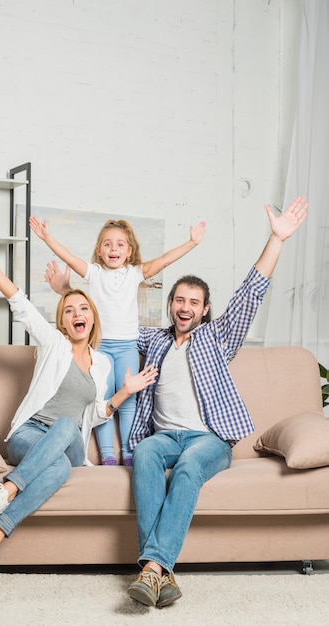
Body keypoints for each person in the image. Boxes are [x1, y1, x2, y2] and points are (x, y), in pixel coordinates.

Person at [47, 196, 308, 609]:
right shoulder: (153, 340)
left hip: (208, 441)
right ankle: (160, 574)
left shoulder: (217, 338)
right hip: (165, 437)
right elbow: (102, 323)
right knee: (146, 451)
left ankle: (151, 567)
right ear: (170, 305)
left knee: (187, 468)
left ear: (204, 310)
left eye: (193, 302)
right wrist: (66, 291)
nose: (185, 307)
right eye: (179, 300)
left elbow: (250, 294)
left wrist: (276, 240)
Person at [0, 227, 158, 592]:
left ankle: (7, 490)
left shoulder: (103, 365)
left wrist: (124, 392)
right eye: (68, 310)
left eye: (83, 308)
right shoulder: (53, 345)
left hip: (69, 440)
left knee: (66, 427)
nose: (77, 314)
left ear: (92, 318)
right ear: (62, 322)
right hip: (28, 436)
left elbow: (93, 415)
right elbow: (19, 300)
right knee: (59, 468)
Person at [29, 215, 205, 467]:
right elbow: (68, 256)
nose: (114, 249)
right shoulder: (94, 273)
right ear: (99, 251)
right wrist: (47, 237)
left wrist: (191, 243)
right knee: (102, 400)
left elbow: (163, 260)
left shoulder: (134, 273)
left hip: (127, 347)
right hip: (99, 347)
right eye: (108, 244)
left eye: (120, 244)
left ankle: (128, 451)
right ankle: (108, 455)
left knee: (128, 398)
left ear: (129, 251)